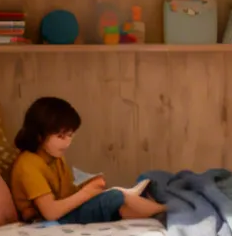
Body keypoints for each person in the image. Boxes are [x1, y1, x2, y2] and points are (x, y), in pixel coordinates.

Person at [9, 96, 165, 224]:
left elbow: (66, 192)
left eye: (70, 135)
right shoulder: (28, 165)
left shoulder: (54, 156)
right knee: (115, 197)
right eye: (60, 136)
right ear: (39, 135)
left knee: (147, 181)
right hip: (45, 220)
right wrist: (86, 193)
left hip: (64, 210)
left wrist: (87, 186)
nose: (67, 142)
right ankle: (163, 211)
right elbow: (50, 212)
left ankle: (155, 209)